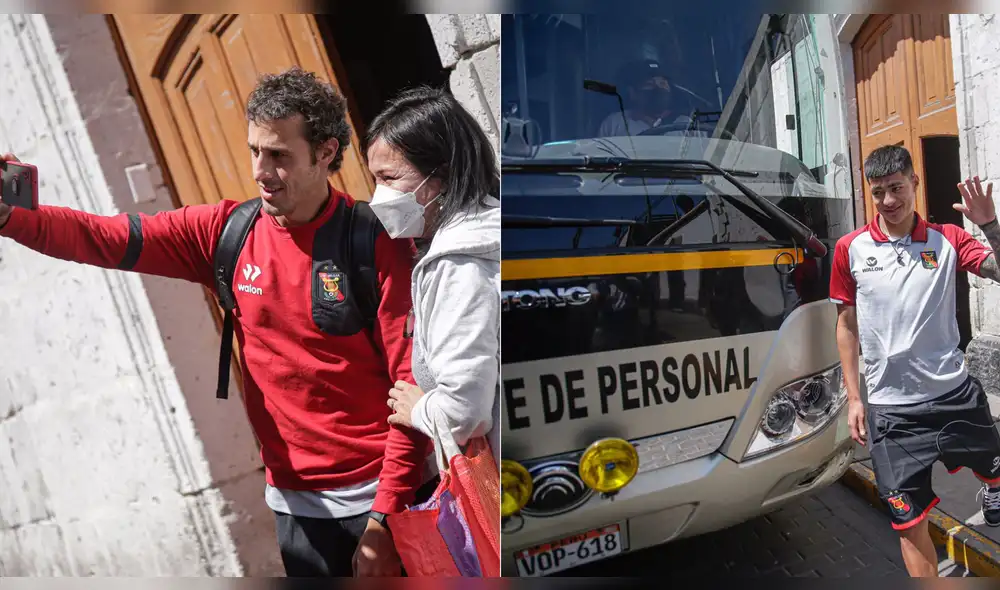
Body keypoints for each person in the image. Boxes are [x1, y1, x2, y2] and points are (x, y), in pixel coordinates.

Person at [0, 66, 434, 578]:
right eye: (255, 150)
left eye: (278, 155)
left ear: (325, 152)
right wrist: (13, 219)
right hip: (297, 510)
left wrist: (384, 519)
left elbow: (412, 388)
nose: (261, 170)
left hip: (391, 501)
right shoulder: (224, 231)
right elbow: (107, 237)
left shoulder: (376, 241)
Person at [830, 144, 1000, 578]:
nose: (889, 201)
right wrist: (854, 398)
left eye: (897, 188)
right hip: (892, 416)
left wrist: (990, 225)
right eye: (879, 191)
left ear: (914, 183)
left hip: (955, 397)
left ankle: (993, 488)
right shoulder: (850, 249)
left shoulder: (948, 238)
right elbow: (846, 326)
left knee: (996, 471)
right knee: (909, 525)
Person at [361, 86, 501, 470]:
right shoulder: (492, 226)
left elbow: (462, 412)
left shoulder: (457, 263)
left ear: (439, 176)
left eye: (390, 178)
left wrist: (418, 408)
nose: (379, 197)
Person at [597, 58, 694, 138]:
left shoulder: (686, 125)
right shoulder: (614, 124)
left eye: (662, 83)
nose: (658, 88)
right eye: (650, 84)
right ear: (633, 93)